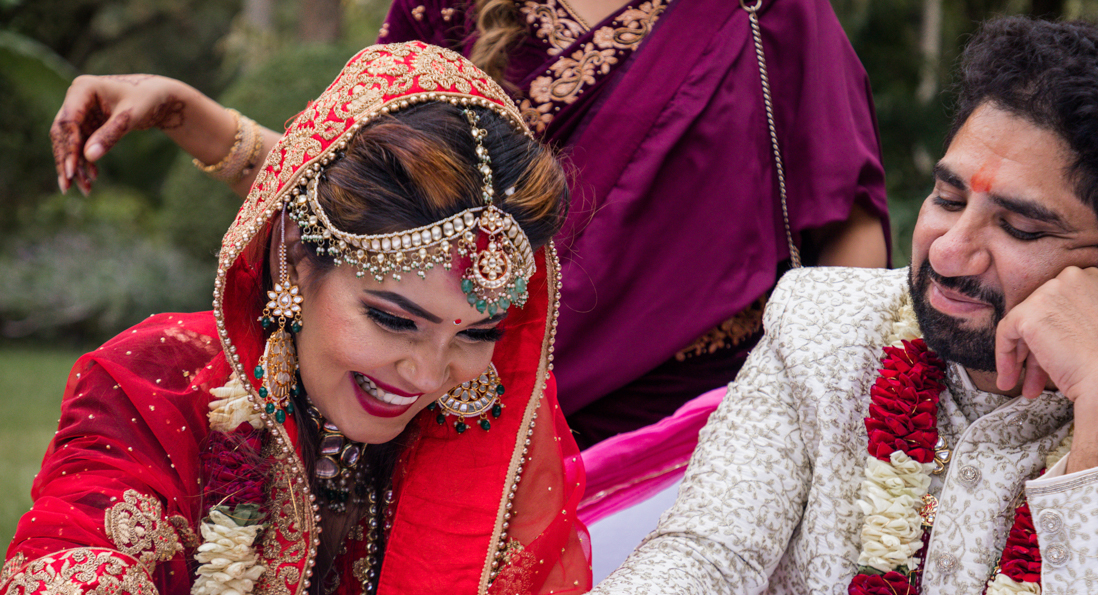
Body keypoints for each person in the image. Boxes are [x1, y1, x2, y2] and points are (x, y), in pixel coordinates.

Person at [496, 17, 1098, 595]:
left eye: (1020, 227)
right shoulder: (824, 327)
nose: (949, 250)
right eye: (946, 196)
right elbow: (714, 549)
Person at [2, 41, 590, 595]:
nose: (428, 373)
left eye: (476, 334)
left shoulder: (498, 445)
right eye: (394, 320)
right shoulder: (155, 384)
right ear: (292, 259)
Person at [50, 0, 891, 448]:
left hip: (698, 440)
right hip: (461, 407)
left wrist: (842, 420)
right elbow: (368, 196)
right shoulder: (448, 5)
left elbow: (845, 227)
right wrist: (192, 116)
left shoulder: (765, 11)